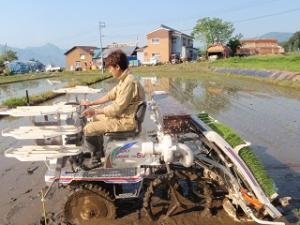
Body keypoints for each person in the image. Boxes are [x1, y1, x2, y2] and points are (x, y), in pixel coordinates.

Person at [80, 50, 145, 162]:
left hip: (126, 121)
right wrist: (91, 104)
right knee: (94, 118)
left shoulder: (129, 82)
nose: (110, 71)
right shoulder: (124, 80)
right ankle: (99, 151)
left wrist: (95, 111)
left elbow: (116, 109)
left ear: (117, 67)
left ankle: (96, 157)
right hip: (123, 117)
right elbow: (110, 95)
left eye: (110, 68)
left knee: (88, 129)